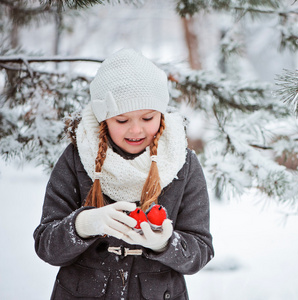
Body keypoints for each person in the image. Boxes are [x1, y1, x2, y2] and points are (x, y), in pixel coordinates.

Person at [33, 48, 214, 299]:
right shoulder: (77, 158)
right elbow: (46, 246)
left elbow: (200, 251)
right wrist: (84, 225)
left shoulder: (182, 163)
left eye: (148, 117)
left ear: (161, 114)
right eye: (121, 120)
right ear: (103, 119)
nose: (136, 130)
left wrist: (165, 244)